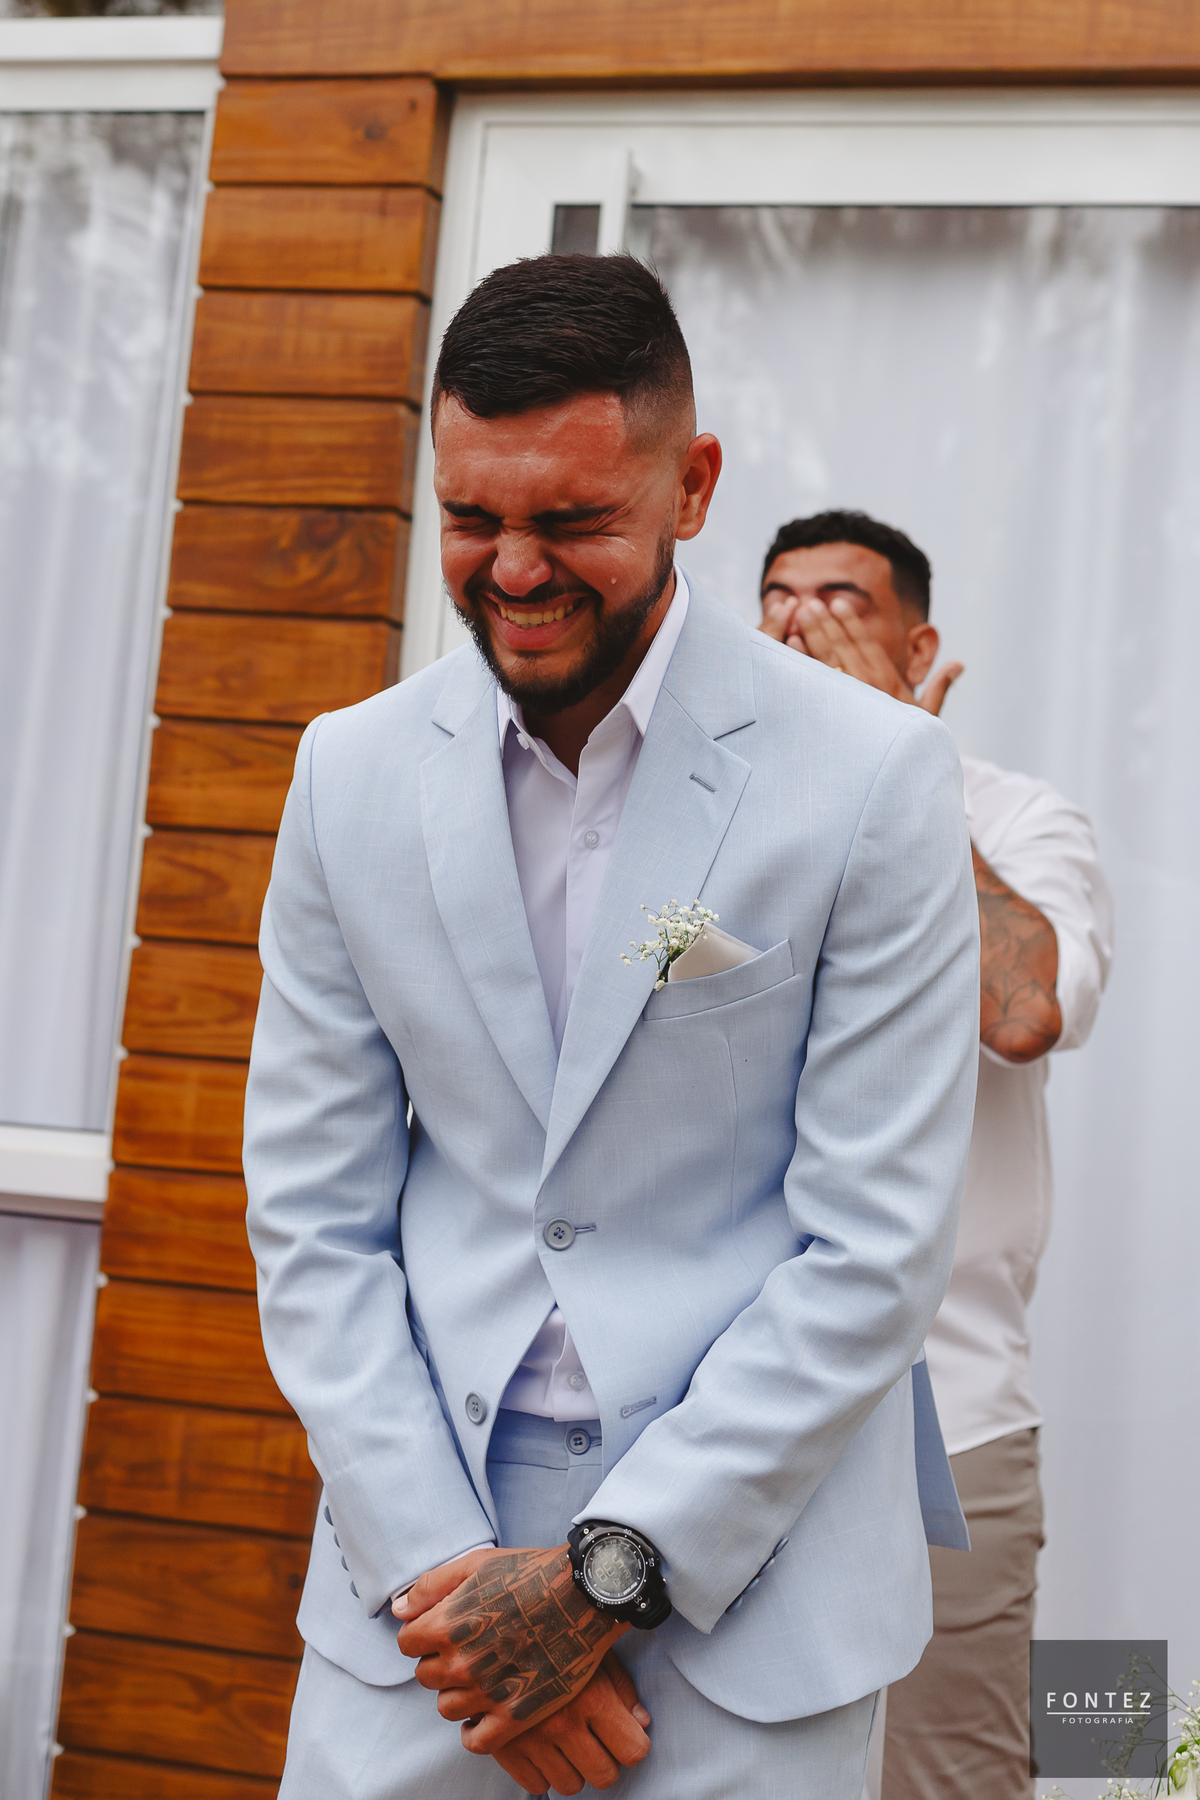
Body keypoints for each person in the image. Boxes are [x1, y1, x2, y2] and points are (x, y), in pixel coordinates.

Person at [243, 259, 981, 1800]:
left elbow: (875, 1243)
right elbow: (312, 1219)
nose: (514, 571)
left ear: (692, 484)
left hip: (754, 1583)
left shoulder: (872, 777)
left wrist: (603, 1582)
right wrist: (449, 1579)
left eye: (573, 520)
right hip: (416, 1587)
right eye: (472, 517)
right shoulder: (346, 773)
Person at [760, 509, 1114, 1800]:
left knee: (950, 1779)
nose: (802, 625)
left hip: (946, 1428)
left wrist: (903, 771)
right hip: (724, 1422)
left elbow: (1022, 1015)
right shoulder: (716, 831)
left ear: (918, 649)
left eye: (841, 602)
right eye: (778, 599)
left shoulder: (1020, 818)